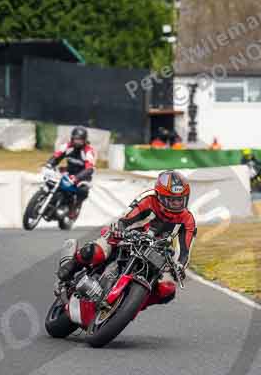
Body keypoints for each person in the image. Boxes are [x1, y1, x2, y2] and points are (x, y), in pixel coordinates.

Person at [55, 170, 197, 307]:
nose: (177, 204)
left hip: (157, 251)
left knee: (168, 290)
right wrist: (120, 230)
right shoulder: (149, 199)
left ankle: (132, 304)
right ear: (160, 196)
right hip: (129, 236)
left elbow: (185, 251)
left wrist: (179, 267)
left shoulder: (188, 219)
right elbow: (125, 219)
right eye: (172, 200)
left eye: (180, 200)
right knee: (95, 252)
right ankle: (70, 268)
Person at [46, 126, 96, 218]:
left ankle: (75, 206)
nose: (77, 142)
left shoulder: (88, 151)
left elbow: (89, 169)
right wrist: (49, 164)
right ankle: (48, 200)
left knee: (83, 189)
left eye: (80, 140)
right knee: (50, 181)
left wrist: (77, 178)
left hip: (82, 176)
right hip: (69, 172)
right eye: (75, 139)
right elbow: (57, 156)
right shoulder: (67, 146)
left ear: (84, 140)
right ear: (72, 138)